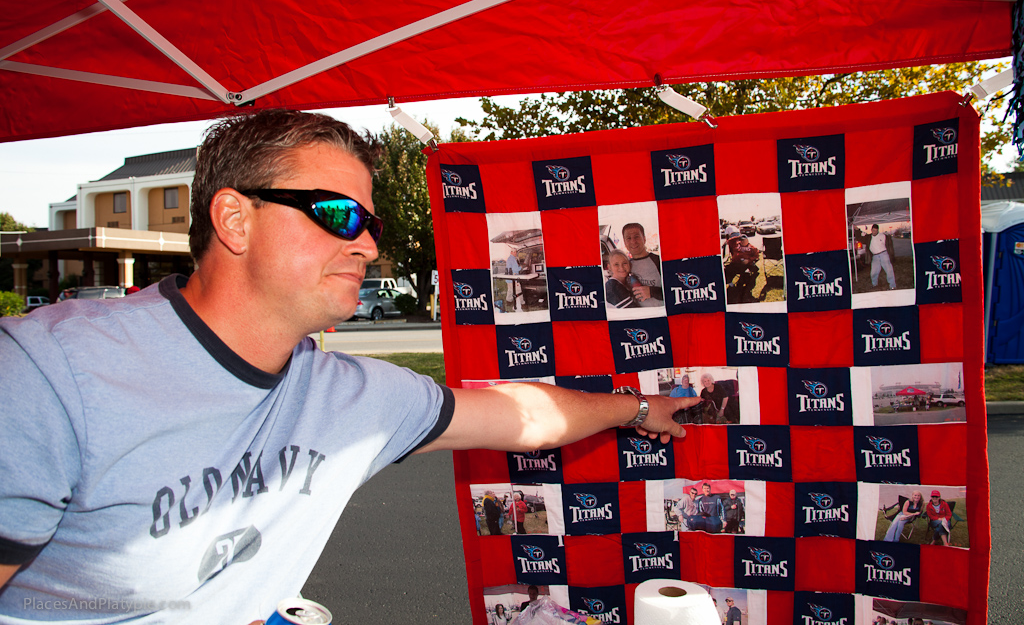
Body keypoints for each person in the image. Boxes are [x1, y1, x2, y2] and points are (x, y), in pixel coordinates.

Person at [0, 109, 691, 623]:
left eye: (372, 225)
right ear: (235, 221)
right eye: (336, 214)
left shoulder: (352, 396)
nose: (363, 244)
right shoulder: (52, 374)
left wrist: (635, 408)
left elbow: (525, 416)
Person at [621, 222, 663, 307]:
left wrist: (651, 292)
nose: (633, 241)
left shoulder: (658, 261)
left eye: (637, 237)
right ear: (625, 242)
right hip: (636, 317)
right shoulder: (625, 266)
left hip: (659, 315)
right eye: (628, 238)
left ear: (644, 239)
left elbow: (675, 291)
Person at [723, 228, 761, 303]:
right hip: (736, 263)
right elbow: (729, 241)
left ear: (747, 241)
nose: (742, 242)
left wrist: (749, 260)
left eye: (744, 241)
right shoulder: (735, 245)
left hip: (746, 265)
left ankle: (744, 288)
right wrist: (739, 236)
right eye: (741, 241)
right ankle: (730, 283)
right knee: (726, 269)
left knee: (748, 273)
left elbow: (757, 256)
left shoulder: (752, 248)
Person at [862, 224, 897, 290]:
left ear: (878, 230)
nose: (874, 232)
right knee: (873, 272)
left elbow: (889, 244)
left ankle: (892, 285)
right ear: (871, 230)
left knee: (889, 270)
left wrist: (891, 255)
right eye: (873, 230)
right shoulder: (869, 237)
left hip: (884, 254)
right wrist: (857, 230)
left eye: (875, 230)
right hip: (875, 256)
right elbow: (861, 238)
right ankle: (874, 284)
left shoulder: (883, 236)